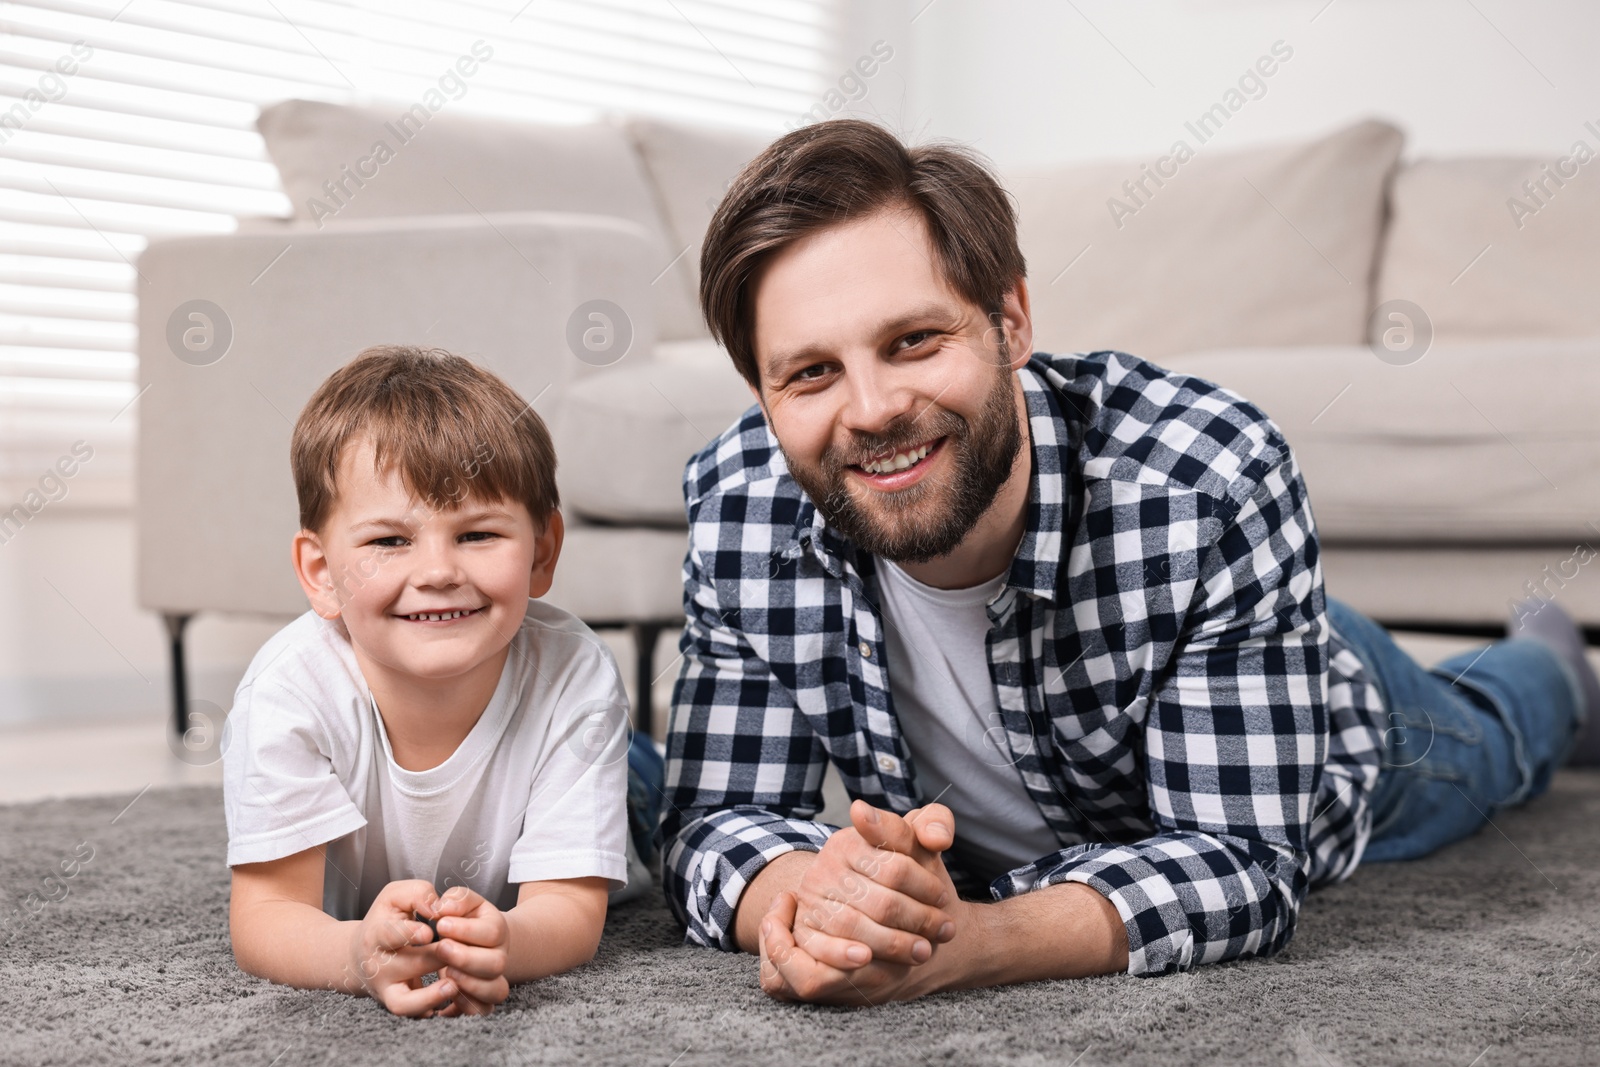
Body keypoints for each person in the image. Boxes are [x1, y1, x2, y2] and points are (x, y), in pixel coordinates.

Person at [657, 119, 1600, 1004]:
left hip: (1343, 718)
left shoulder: (1210, 478)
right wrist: (804, 891)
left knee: (1498, 736)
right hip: (1197, 655)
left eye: (914, 340)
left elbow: (1243, 864)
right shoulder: (741, 500)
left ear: (1012, 321)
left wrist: (977, 939)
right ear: (763, 391)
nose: (868, 409)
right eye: (811, 371)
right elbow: (712, 823)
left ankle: (1555, 663)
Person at [222, 345, 660, 1018]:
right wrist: (354, 954)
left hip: (619, 778)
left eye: (478, 533)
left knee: (667, 799)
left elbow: (570, 907)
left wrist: (506, 941)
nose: (436, 571)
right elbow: (267, 914)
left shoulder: (575, 673)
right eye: (389, 541)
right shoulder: (287, 692)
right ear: (319, 572)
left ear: (542, 553)